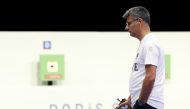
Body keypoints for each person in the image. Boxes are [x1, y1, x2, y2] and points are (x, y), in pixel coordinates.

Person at [117, 6, 165, 109]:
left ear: (139, 21)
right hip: (146, 104)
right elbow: (141, 76)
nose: (126, 28)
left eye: (128, 23)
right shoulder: (145, 43)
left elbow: (150, 77)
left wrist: (140, 103)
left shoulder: (150, 43)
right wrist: (131, 100)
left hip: (148, 104)